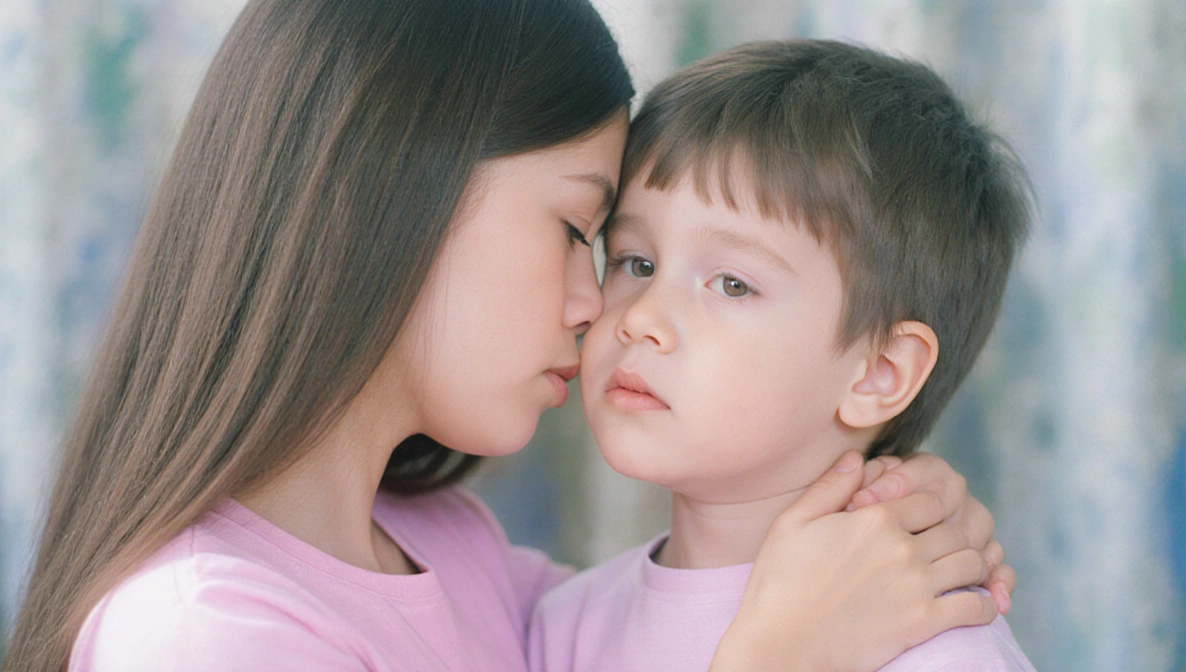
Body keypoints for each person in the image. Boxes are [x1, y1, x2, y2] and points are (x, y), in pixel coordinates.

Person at [5, 3, 1011, 671]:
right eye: (595, 238)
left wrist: (900, 502)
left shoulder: (471, 563)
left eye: (732, 280)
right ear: (386, 195)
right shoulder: (204, 633)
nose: (605, 309)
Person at [529, 39, 1037, 672]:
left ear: (881, 372)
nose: (641, 319)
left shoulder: (940, 651)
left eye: (733, 284)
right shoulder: (562, 628)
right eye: (637, 263)